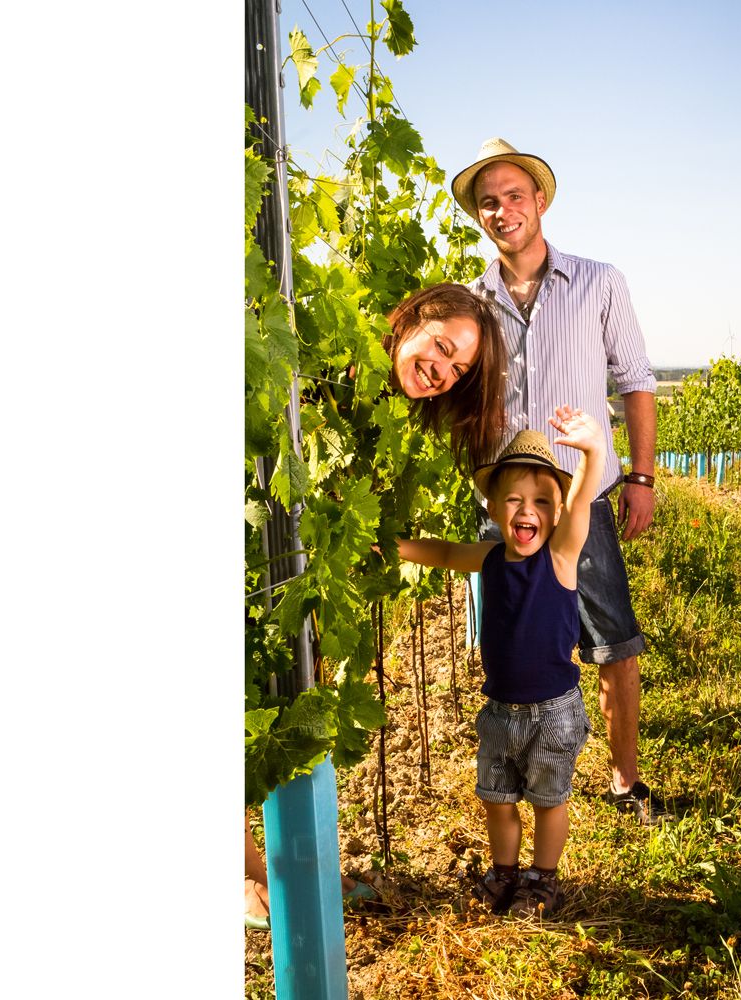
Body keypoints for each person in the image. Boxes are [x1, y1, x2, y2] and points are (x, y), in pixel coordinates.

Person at [246, 281, 507, 928]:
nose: (442, 371)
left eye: (459, 368)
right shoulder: (332, 367)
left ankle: (255, 876)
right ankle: (242, 882)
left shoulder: (390, 409)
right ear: (415, 318)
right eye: (442, 347)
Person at [450, 137, 664, 824]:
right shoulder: (472, 304)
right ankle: (520, 787)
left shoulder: (600, 282)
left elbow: (635, 383)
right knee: (514, 649)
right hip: (505, 508)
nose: (503, 209)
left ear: (539, 201)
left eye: (515, 195)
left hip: (582, 497)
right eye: (489, 202)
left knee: (612, 641)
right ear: (479, 217)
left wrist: (640, 476)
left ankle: (625, 780)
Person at [395, 408, 603, 918]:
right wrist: (395, 546)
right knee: (497, 797)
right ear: (492, 506)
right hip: (500, 713)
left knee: (549, 801)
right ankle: (505, 872)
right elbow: (444, 552)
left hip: (553, 713)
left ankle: (543, 879)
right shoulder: (489, 558)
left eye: (539, 502)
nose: (525, 510)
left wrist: (594, 451)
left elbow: (580, 503)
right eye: (513, 500)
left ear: (555, 514)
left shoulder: (560, 556)